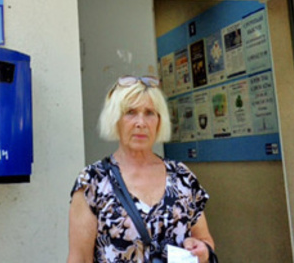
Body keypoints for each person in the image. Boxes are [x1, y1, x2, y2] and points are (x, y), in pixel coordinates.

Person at [67, 76, 216, 263]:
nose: (141, 122)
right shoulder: (92, 181)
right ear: (115, 119)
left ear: (159, 121)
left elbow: (204, 240)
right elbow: (79, 259)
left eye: (149, 113)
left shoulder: (181, 176)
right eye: (130, 112)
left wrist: (202, 250)